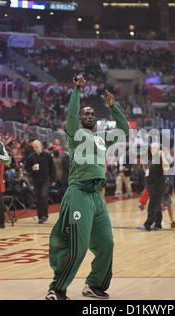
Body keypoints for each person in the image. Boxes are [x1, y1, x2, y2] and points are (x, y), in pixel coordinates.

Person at [46, 75, 129, 300]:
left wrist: (114, 107)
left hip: (96, 196)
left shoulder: (102, 138)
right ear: (81, 118)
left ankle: (93, 285)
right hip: (79, 193)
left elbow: (124, 131)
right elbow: (71, 114)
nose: (89, 115)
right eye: (86, 113)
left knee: (106, 244)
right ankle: (56, 289)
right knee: (78, 246)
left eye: (92, 113)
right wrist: (76, 90)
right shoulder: (74, 135)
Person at [137, 142, 170, 231]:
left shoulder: (160, 158)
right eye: (151, 148)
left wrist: (162, 156)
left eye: (154, 148)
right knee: (157, 205)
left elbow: (167, 167)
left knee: (152, 206)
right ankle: (158, 225)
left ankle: (147, 225)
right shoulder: (152, 159)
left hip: (158, 186)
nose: (152, 150)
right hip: (151, 186)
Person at [25, 140, 56, 224]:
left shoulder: (47, 155)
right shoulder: (31, 157)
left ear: (41, 146)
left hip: (46, 179)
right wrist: (31, 169)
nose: (35, 149)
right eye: (33, 147)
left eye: (36, 147)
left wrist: (53, 179)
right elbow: (26, 168)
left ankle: (45, 215)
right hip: (36, 180)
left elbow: (52, 168)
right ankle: (41, 217)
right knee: (38, 198)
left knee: (43, 195)